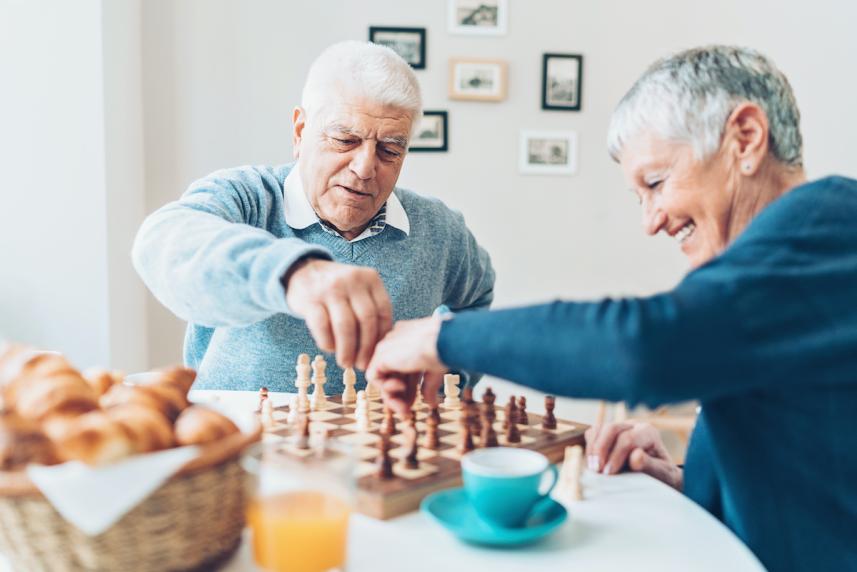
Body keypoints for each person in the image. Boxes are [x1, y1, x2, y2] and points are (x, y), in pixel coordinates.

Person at [367, 45, 857, 571]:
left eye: (656, 183)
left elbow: (642, 345)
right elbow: (812, 460)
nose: (652, 221)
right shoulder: (794, 252)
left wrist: (438, 339)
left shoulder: (825, 235)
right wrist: (684, 478)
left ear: (746, 138)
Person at [132, 41, 494, 392]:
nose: (365, 167)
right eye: (344, 139)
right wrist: (294, 273)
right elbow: (162, 243)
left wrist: (450, 368)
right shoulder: (247, 198)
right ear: (300, 131)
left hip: (382, 448)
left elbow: (477, 300)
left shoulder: (440, 230)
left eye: (389, 149)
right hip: (249, 443)